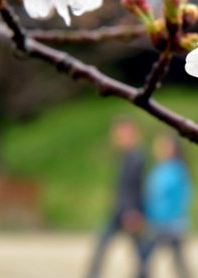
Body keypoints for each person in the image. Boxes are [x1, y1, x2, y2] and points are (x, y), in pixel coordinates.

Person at [85, 117, 146, 278]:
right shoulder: (125, 156)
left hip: (129, 211)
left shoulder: (136, 157)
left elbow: (135, 187)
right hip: (120, 209)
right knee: (107, 245)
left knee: (139, 251)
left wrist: (132, 211)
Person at [141, 134, 193, 278]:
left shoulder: (178, 170)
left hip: (171, 224)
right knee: (146, 258)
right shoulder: (158, 168)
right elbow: (150, 194)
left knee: (176, 261)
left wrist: (175, 219)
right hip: (155, 221)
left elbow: (183, 197)